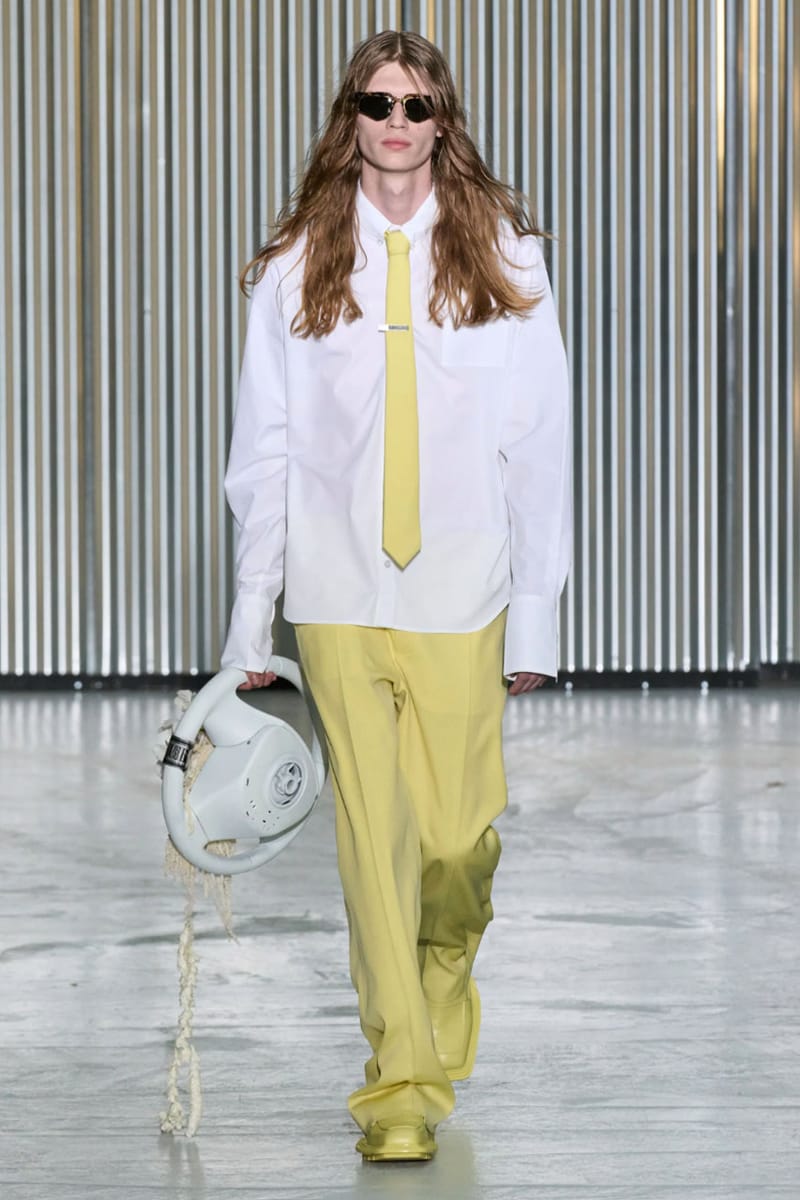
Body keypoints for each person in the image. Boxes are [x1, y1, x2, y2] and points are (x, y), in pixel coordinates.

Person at [220, 29, 571, 1163]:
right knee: (374, 847)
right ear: (351, 120)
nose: (396, 123)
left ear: (442, 121)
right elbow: (263, 453)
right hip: (335, 588)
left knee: (454, 847)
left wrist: (537, 611)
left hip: (464, 589)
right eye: (377, 104)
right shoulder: (295, 266)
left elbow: (541, 448)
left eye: (416, 106)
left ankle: (438, 983)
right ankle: (400, 1090)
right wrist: (251, 620)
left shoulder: (507, 258)